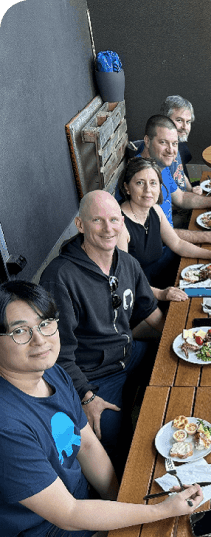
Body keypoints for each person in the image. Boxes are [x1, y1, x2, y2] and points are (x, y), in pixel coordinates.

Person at [0, 280, 203, 537]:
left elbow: (88, 446)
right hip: (40, 531)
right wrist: (158, 511)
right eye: (19, 331)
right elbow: (67, 513)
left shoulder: (51, 371)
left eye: (45, 324)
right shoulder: (6, 425)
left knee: (176, 533)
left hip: (77, 496)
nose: (39, 340)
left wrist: (121, 500)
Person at [39, 190, 164, 476]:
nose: (108, 229)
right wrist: (86, 396)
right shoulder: (60, 277)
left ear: (122, 222)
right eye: (97, 220)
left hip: (128, 354)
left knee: (173, 364)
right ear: (80, 225)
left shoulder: (127, 263)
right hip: (92, 376)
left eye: (113, 220)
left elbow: (151, 314)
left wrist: (184, 338)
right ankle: (122, 494)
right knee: (112, 437)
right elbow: (56, 355)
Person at [117, 157, 211, 303]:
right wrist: (161, 294)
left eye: (153, 183)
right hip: (140, 294)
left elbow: (178, 244)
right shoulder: (120, 226)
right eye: (140, 183)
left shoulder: (154, 210)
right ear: (127, 187)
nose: (148, 190)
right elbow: (126, 279)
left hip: (161, 279)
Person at [126, 115, 211, 235]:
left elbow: (181, 197)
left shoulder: (160, 165)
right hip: (167, 248)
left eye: (174, 144)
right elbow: (161, 235)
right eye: (163, 142)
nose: (171, 150)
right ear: (147, 141)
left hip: (174, 238)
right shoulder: (140, 176)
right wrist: (208, 236)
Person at [160, 95, 200, 228]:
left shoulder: (176, 145)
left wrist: (192, 189)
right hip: (174, 217)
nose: (184, 127)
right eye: (179, 120)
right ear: (165, 120)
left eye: (188, 122)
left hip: (185, 201)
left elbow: (180, 174)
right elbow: (168, 202)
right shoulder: (162, 153)